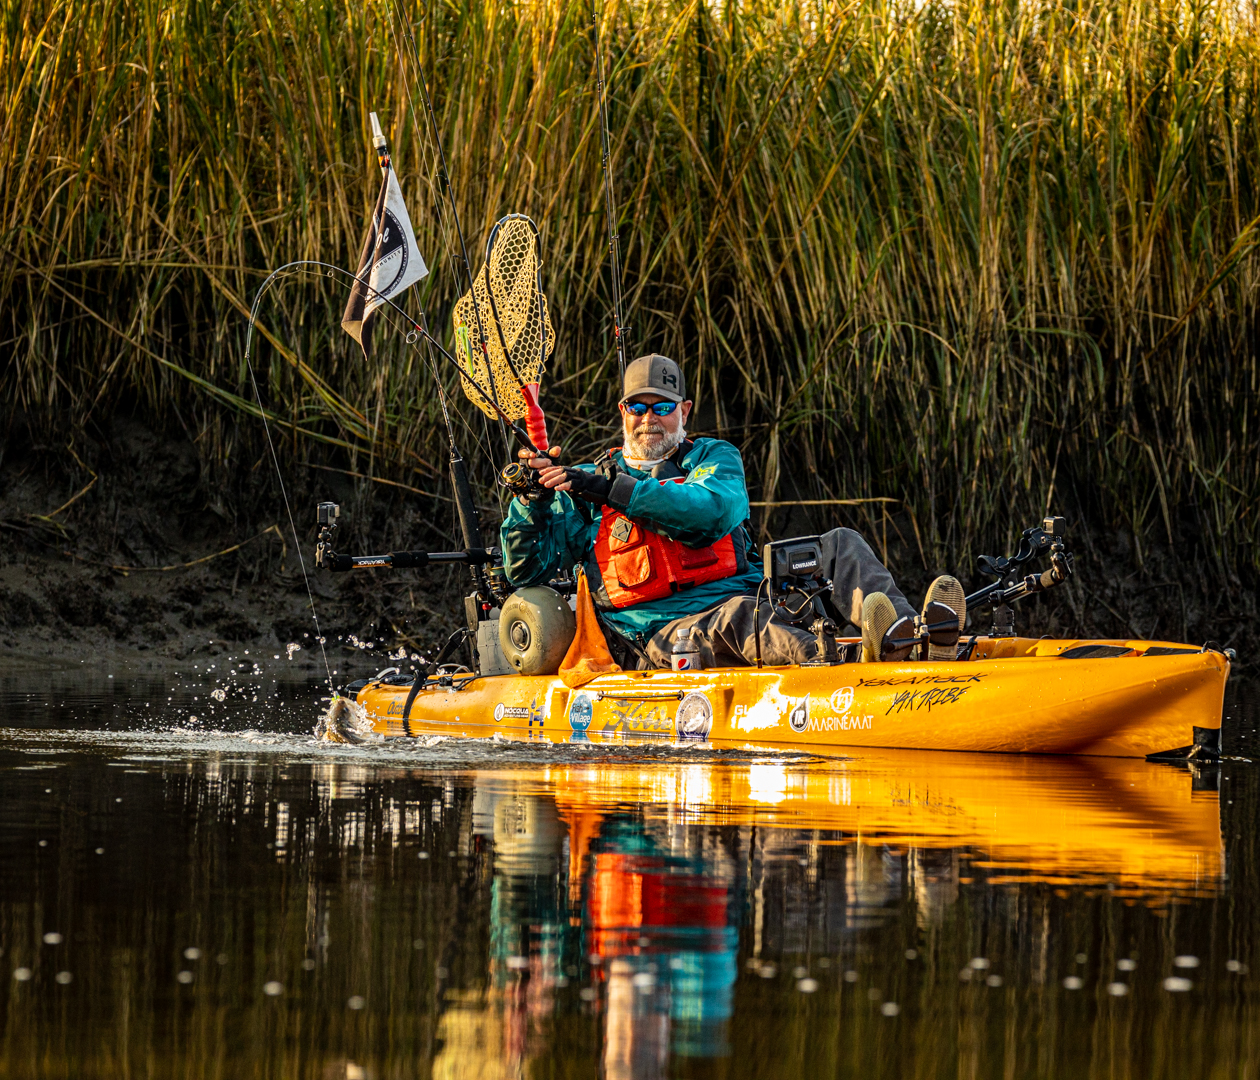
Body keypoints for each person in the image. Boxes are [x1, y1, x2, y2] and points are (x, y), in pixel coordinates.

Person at [499, 353, 964, 668]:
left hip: (752, 598)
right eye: (636, 407)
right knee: (740, 615)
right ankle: (837, 669)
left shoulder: (713, 458)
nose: (648, 418)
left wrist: (615, 488)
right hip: (659, 634)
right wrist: (531, 503)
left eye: (661, 406)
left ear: (684, 410)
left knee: (840, 544)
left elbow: (708, 516)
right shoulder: (581, 482)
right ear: (623, 411)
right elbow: (525, 569)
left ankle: (908, 638)